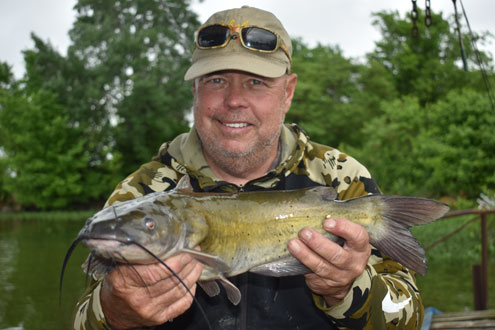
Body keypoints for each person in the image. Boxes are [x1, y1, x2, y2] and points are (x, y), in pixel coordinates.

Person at [73, 6, 424, 330]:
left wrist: (348, 290)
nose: (234, 100)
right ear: (194, 89)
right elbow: (81, 320)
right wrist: (117, 311)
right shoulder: (141, 192)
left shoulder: (340, 176)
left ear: (288, 92)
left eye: (256, 82)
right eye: (216, 80)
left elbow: (409, 316)